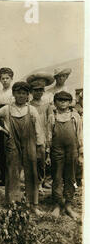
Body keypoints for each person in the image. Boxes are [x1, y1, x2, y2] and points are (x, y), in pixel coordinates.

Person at [0, 81, 45, 215]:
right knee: (12, 172)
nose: (21, 96)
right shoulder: (6, 109)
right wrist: (2, 130)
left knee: (32, 172)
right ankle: (13, 204)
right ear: (14, 94)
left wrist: (39, 146)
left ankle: (33, 204)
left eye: (24, 93)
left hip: (29, 144)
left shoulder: (32, 110)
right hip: (12, 144)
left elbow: (38, 130)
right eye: (19, 93)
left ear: (28, 96)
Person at [47, 91, 82, 220]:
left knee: (70, 177)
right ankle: (57, 204)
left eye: (65, 100)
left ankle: (68, 205)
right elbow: (49, 136)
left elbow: (79, 134)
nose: (62, 102)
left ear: (70, 102)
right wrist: (47, 154)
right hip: (56, 150)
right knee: (56, 177)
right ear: (55, 102)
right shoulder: (53, 116)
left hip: (72, 150)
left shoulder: (75, 116)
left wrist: (80, 153)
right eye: (59, 100)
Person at [0, 67, 15, 185]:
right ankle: (3, 178)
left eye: (7, 78)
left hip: (11, 121)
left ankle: (12, 177)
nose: (5, 80)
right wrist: (3, 104)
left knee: (10, 150)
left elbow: (14, 105)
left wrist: (1, 104)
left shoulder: (14, 92)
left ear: (11, 78)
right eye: (2, 78)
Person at [29, 81, 53, 191]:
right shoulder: (28, 105)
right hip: (32, 135)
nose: (38, 92)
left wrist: (49, 135)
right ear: (31, 92)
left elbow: (50, 121)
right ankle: (35, 182)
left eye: (40, 90)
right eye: (36, 90)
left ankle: (44, 180)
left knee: (44, 158)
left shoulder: (47, 105)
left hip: (44, 134)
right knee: (34, 159)